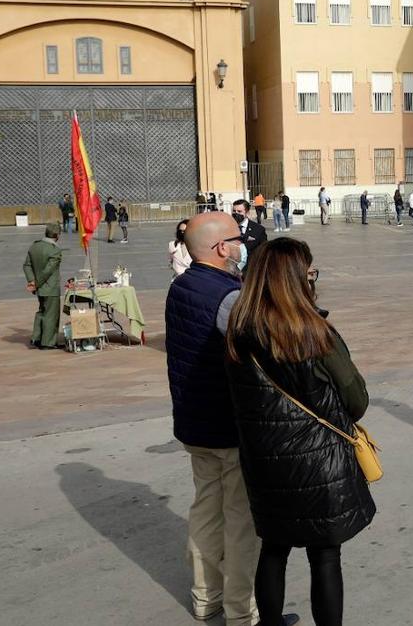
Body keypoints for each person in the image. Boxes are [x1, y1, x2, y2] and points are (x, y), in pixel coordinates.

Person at [225, 238, 374, 626]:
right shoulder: (316, 332)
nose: (313, 280)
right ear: (295, 280)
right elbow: (356, 399)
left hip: (264, 460)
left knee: (274, 547)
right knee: (324, 555)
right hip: (319, 460)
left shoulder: (239, 330)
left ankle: (269, 623)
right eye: (310, 273)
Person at [164, 212, 258, 626]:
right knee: (240, 521)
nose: (242, 246)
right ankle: (241, 613)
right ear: (222, 248)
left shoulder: (180, 286)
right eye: (238, 240)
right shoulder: (229, 296)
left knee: (206, 508)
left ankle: (206, 598)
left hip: (193, 420)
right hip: (229, 425)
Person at [23, 223, 64, 350]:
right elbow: (47, 271)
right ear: (57, 235)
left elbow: (27, 265)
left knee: (42, 311)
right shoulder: (54, 250)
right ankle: (48, 342)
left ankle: (37, 338)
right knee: (51, 314)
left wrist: (31, 281)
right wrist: (36, 283)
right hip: (50, 287)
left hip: (39, 288)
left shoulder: (34, 246)